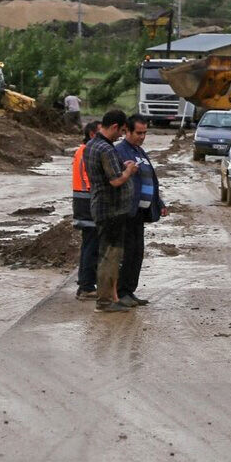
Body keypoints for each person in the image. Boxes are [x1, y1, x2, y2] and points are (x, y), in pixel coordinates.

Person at [83, 109, 139, 313]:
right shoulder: (106, 149)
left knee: (108, 254)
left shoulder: (92, 145)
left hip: (101, 207)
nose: (122, 136)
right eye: (122, 131)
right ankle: (106, 301)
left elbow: (107, 172)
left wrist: (120, 166)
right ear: (114, 127)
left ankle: (110, 297)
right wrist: (129, 171)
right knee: (110, 255)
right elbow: (116, 180)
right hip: (111, 210)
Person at [115, 115, 167, 306]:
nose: (142, 136)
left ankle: (129, 290)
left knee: (137, 252)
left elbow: (150, 179)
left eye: (145, 133)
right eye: (139, 133)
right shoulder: (119, 151)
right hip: (126, 211)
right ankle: (121, 292)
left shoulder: (139, 151)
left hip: (139, 213)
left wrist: (158, 202)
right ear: (126, 131)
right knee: (127, 253)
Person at [72, 121, 100, 301]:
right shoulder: (87, 151)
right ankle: (87, 286)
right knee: (92, 245)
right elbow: (92, 179)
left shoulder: (81, 150)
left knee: (89, 244)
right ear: (91, 134)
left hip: (82, 200)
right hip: (87, 201)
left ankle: (85, 283)